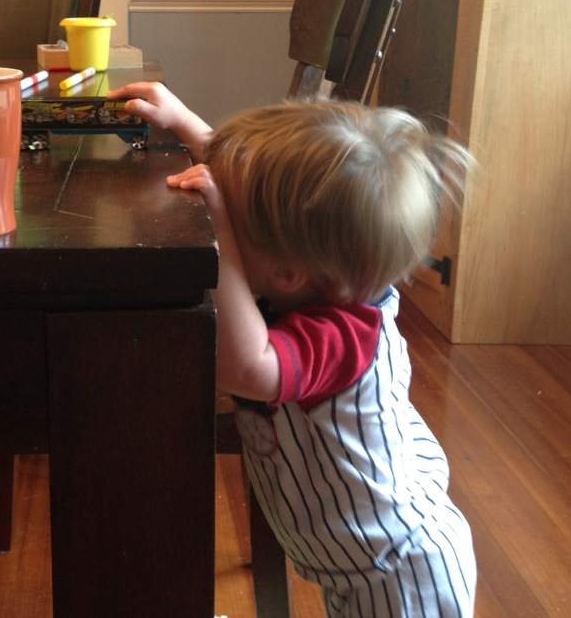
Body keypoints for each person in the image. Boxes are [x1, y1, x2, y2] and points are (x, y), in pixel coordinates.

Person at [107, 82, 477, 618]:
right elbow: (257, 196)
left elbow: (245, 368)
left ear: (287, 272)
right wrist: (186, 123)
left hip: (400, 579)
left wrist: (217, 227)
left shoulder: (344, 335)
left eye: (233, 223)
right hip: (360, 564)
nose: (221, 223)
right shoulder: (313, 275)